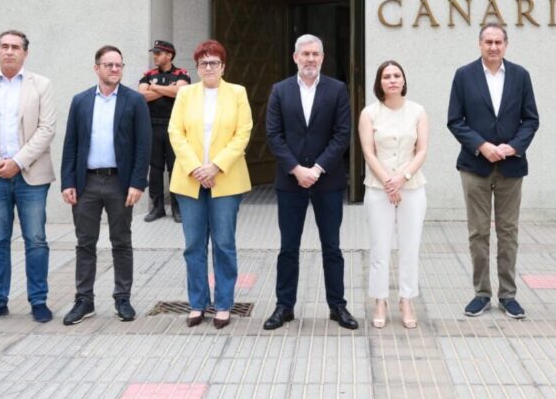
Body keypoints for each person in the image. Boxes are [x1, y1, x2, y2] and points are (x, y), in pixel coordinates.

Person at [0, 30, 57, 325]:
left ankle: (39, 300)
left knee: (36, 240)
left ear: (25, 53)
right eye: (4, 46)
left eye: (15, 47)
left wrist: (17, 161)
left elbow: (47, 129)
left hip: (31, 175)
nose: (9, 51)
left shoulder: (41, 85)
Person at [263, 34, 356, 331]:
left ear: (322, 58)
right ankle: (284, 306)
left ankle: (337, 306)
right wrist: (295, 168)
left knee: (332, 247)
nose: (310, 59)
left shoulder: (338, 89)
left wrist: (316, 169)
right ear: (295, 57)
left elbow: (342, 134)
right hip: (290, 183)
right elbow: (273, 135)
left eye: (315, 54)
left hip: (327, 182)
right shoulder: (280, 91)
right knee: (288, 247)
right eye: (305, 54)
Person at [447, 23, 539, 319]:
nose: (493, 47)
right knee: (478, 232)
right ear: (479, 44)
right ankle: (482, 293)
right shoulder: (464, 75)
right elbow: (455, 120)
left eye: (498, 42)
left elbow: (531, 119)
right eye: (488, 41)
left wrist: (512, 147)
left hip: (511, 165)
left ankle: (508, 295)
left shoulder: (520, 75)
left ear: (506, 45)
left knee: (508, 231)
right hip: (475, 165)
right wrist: (482, 145)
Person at [60, 45, 151, 326]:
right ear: (96, 67)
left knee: (121, 242)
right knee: (85, 243)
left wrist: (137, 183)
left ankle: (122, 298)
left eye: (119, 65)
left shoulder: (134, 101)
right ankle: (84, 300)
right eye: (109, 64)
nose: (114, 69)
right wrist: (68, 182)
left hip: (119, 184)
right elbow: (71, 143)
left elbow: (143, 145)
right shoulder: (81, 101)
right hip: (86, 183)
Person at [167, 40, 252, 329]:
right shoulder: (186, 94)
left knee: (224, 243)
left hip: (225, 179)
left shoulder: (237, 93)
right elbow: (175, 132)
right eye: (203, 63)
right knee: (193, 245)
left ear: (223, 66)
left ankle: (224, 304)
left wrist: (215, 166)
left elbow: (243, 133)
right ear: (197, 67)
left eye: (214, 62)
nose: (209, 67)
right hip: (189, 180)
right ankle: (197, 303)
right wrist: (196, 168)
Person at [358, 60, 428, 329]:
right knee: (380, 248)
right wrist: (389, 181)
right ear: (380, 82)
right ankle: (380, 300)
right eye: (387, 76)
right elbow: (368, 152)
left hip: (412, 188)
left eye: (397, 75)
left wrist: (403, 178)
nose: (392, 80)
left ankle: (407, 300)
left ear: (403, 80)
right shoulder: (369, 113)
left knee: (410, 248)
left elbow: (421, 150)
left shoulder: (418, 111)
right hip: (378, 189)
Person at [139, 39, 190, 223]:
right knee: (155, 168)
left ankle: (177, 207)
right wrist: (169, 90)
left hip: (174, 127)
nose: (155, 56)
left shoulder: (181, 74)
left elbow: (181, 92)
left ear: (169, 55)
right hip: (153, 126)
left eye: (159, 53)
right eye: (154, 53)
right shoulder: (148, 74)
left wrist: (154, 88)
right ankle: (157, 206)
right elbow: (142, 96)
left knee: (176, 167)